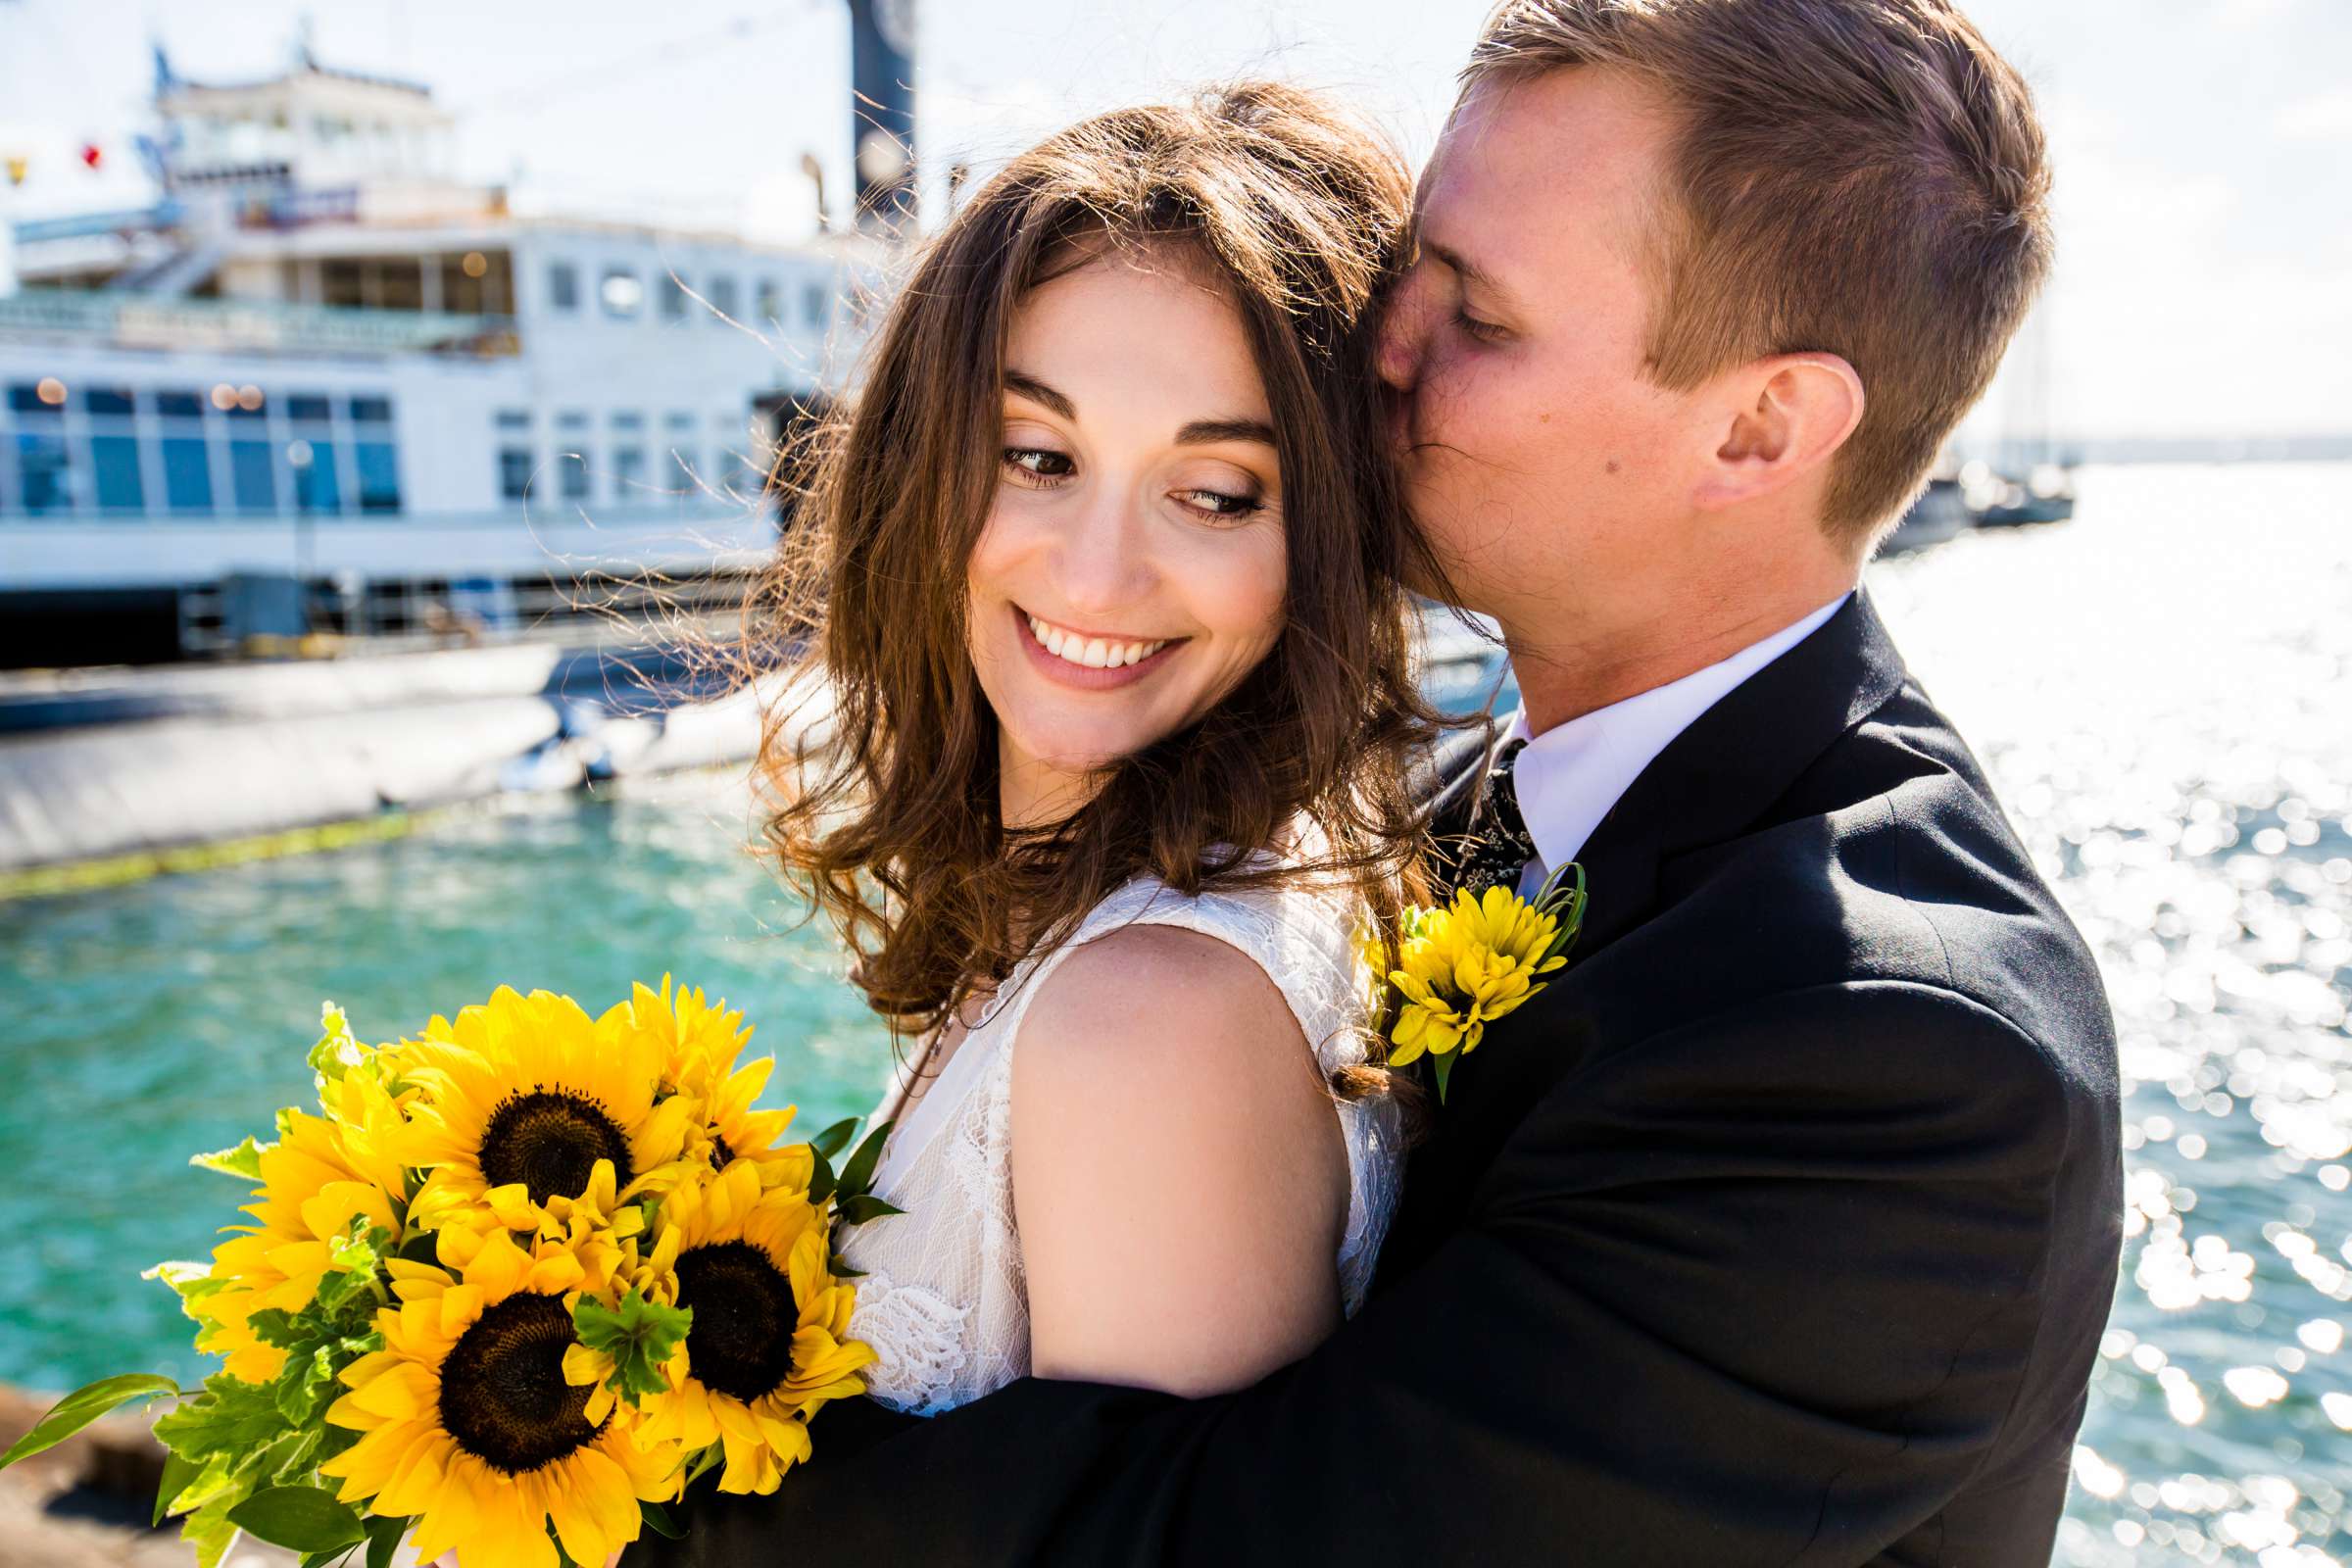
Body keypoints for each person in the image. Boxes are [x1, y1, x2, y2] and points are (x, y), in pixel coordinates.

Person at [638, 1, 2123, 1563]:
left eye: (1475, 317)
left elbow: (1257, 1535)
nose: (1376, 348)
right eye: (1417, 259)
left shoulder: (1901, 1060)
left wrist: (611, 1458)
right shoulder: (1481, 806)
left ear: (1762, 425)